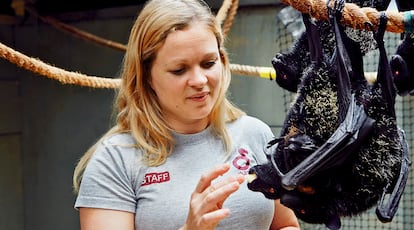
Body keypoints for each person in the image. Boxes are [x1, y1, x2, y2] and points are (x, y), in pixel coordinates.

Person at [73, 0, 300, 229]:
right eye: (179, 70)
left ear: (222, 60)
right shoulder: (115, 160)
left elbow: (285, 225)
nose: (200, 81)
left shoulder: (255, 133)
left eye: (208, 63)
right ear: (146, 76)